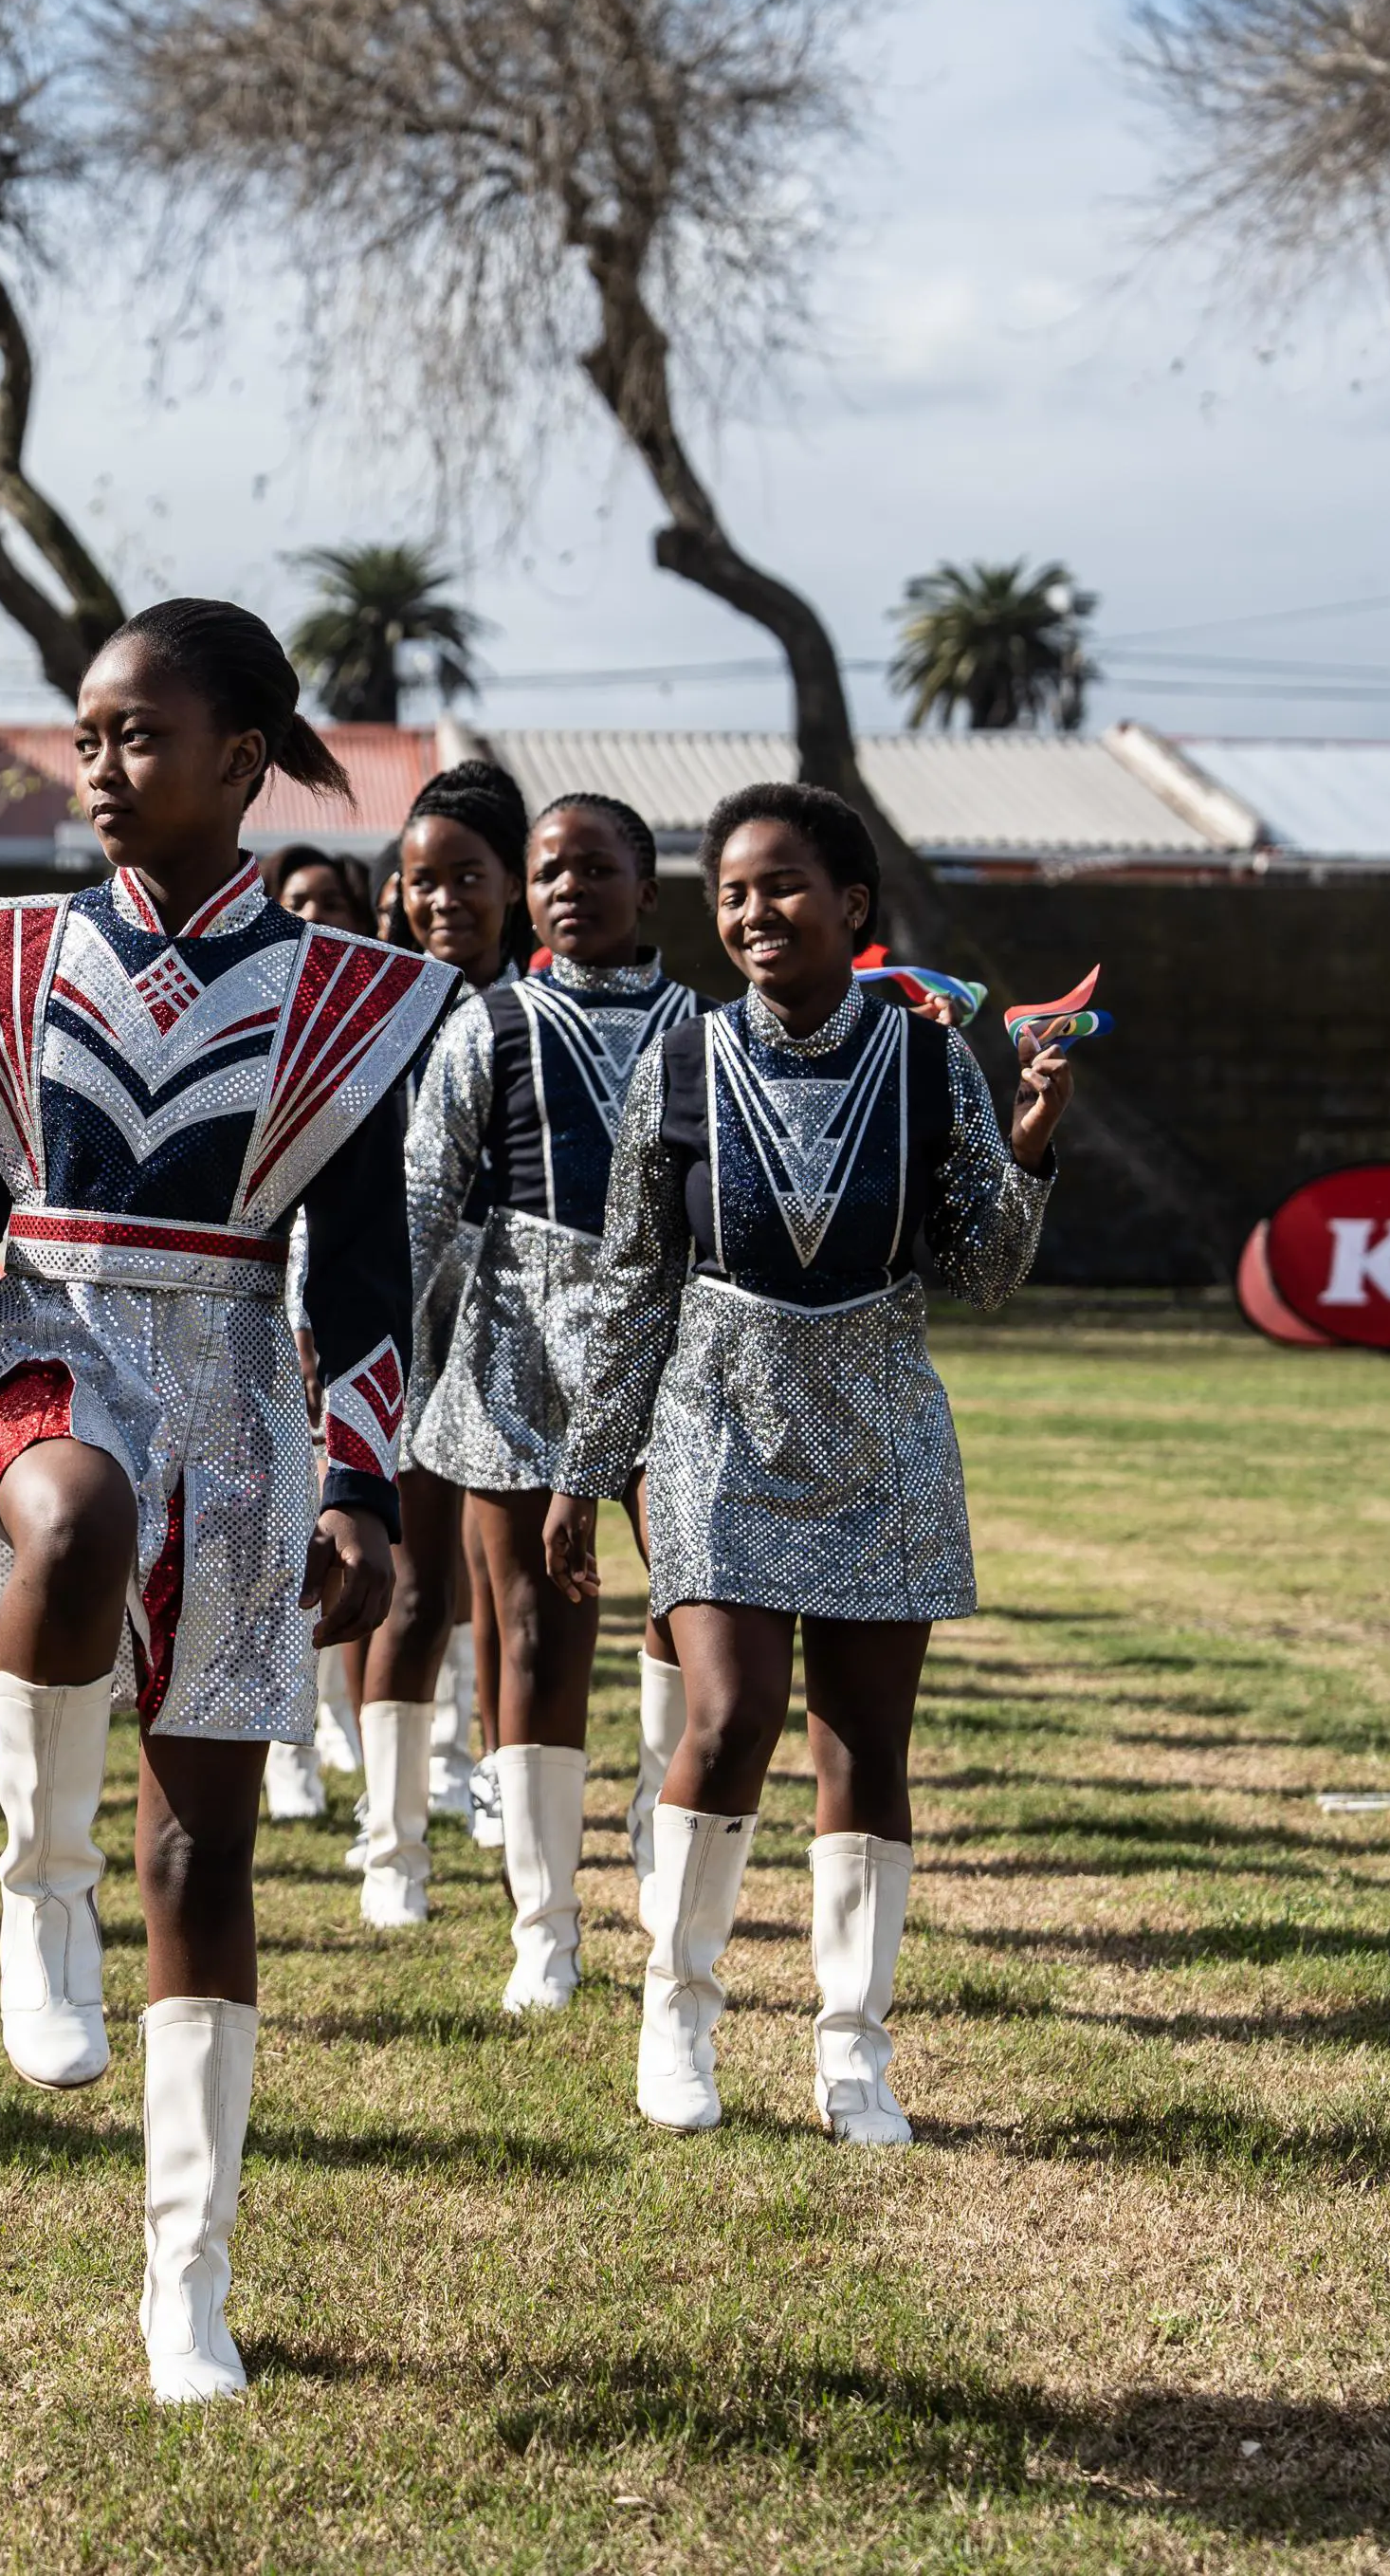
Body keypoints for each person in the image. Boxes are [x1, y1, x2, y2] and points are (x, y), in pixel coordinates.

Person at [0, 597, 450, 2405]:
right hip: (52, 1345)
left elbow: (370, 1266)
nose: (99, 764)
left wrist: (366, 1489)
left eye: (139, 734)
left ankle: (189, 2280)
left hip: (243, 1385)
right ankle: (34, 1884)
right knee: (71, 1525)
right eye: (84, 733)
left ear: (244, 759)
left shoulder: (356, 993)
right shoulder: (2, 957)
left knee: (208, 1855)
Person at [546, 782, 1068, 2141]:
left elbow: (984, 1267)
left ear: (854, 907)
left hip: (883, 1413)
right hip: (714, 1410)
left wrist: (1028, 1145)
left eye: (782, 885)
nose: (752, 912)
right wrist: (580, 1470)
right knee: (726, 1717)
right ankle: (680, 2010)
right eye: (729, 891)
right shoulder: (677, 1058)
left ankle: (853, 2050)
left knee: (867, 1741)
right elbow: (630, 1282)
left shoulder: (927, 1057)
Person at [404, 792, 700, 2012]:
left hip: (678, 1347)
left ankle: (654, 1826)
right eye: (545, 871)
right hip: (517, 1346)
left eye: (594, 868)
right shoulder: (493, 1023)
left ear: (646, 887)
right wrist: (339, 1331)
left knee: (695, 1606)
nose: (566, 888)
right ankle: (544, 1928)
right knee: (527, 1627)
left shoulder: (707, 1029)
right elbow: (421, 1194)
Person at [346, 761, 528, 1926]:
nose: (443, 901)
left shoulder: (545, 1017)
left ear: (513, 884)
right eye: (421, 881)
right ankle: (389, 1848)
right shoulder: (374, 1016)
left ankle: (517, 1816)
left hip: (523, 1336)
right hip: (401, 1322)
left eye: (468, 877)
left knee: (509, 1598)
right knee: (411, 1593)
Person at [248, 842, 380, 1821]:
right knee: (271, 1545)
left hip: (355, 1308)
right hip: (257, 1317)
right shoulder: (262, 1021)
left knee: (347, 1533)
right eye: (296, 904)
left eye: (332, 903)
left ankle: (341, 1720)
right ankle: (284, 1748)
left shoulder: (384, 1017)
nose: (315, 918)